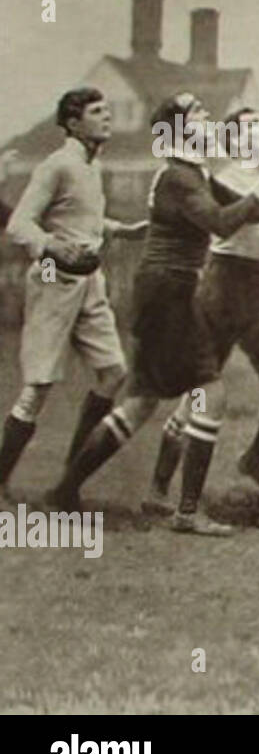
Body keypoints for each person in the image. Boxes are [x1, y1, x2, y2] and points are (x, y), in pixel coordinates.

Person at [49, 92, 259, 532]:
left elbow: (240, 204)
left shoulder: (191, 172)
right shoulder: (179, 178)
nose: (210, 121)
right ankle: (187, 513)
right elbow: (223, 222)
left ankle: (64, 490)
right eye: (201, 116)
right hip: (169, 293)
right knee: (212, 394)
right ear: (181, 130)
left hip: (163, 291)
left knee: (141, 403)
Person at [143, 111, 259, 517]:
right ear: (234, 140)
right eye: (252, 124)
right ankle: (160, 486)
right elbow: (234, 220)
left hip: (257, 289)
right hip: (222, 286)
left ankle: (254, 458)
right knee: (200, 395)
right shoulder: (226, 177)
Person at [0, 90, 147, 506]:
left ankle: (67, 483)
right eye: (97, 112)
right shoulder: (56, 165)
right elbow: (19, 224)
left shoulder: (92, 166)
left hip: (91, 282)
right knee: (38, 387)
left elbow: (81, 218)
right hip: (53, 280)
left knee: (114, 373)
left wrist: (118, 228)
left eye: (106, 110)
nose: (107, 118)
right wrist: (51, 246)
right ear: (72, 122)